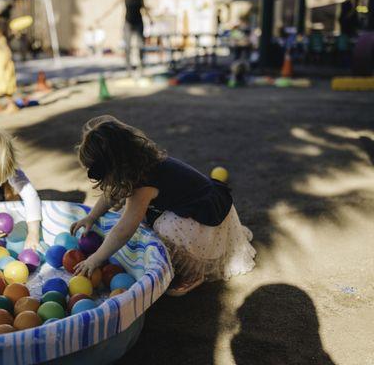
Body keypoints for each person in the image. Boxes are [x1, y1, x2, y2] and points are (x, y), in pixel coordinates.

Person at [70, 116, 256, 296]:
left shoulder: (144, 184)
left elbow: (124, 230)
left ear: (114, 168)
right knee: (139, 216)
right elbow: (110, 195)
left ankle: (193, 273)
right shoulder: (136, 166)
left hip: (205, 216)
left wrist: (95, 258)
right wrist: (91, 217)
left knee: (159, 226)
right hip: (199, 205)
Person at [98, 0, 152, 75]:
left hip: (138, 23)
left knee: (140, 46)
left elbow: (144, 7)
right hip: (128, 23)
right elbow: (113, 5)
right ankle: (129, 69)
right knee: (127, 47)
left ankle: (141, 66)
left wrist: (150, 18)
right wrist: (101, 18)